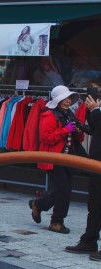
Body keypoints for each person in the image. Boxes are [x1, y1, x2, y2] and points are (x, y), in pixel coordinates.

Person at [29, 85, 86, 234]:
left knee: (64, 190)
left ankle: (39, 204)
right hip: (53, 158)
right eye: (65, 98)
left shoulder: (70, 114)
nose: (68, 101)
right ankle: (56, 221)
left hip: (67, 158)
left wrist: (78, 132)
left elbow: (77, 139)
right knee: (63, 190)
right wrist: (65, 130)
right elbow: (46, 138)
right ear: (57, 100)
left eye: (69, 98)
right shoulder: (49, 115)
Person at [66, 87, 101, 260]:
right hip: (96, 163)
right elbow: (97, 130)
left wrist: (95, 110)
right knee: (94, 204)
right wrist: (87, 118)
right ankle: (89, 240)